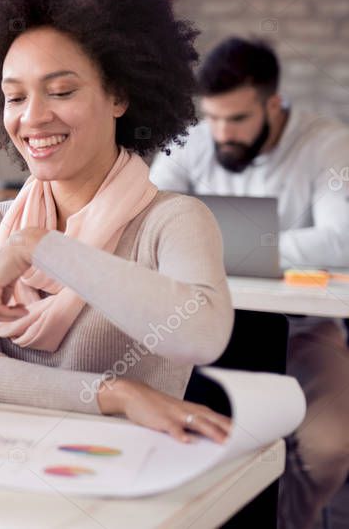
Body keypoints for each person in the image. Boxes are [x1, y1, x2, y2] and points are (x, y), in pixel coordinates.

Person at [0, 0, 235, 444]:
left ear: (119, 95)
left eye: (60, 91)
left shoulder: (173, 221)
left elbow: (203, 334)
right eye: (15, 97)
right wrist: (114, 393)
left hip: (127, 487)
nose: (32, 117)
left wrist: (42, 248)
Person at [149, 37, 349, 529]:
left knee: (328, 451)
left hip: (305, 330)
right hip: (198, 331)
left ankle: (288, 521)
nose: (221, 133)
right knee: (182, 443)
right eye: (213, 117)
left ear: (273, 104)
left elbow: (342, 240)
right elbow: (148, 217)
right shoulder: (197, 139)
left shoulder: (327, 143)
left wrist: (223, 248)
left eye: (236, 119)